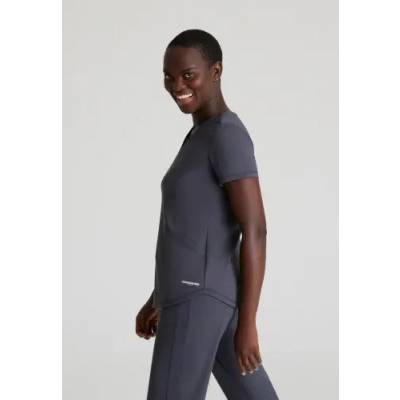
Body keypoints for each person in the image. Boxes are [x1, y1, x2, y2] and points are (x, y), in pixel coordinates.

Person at [135, 29, 279, 400]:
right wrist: (158, 297)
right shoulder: (200, 135)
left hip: (198, 300)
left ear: (215, 71)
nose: (176, 86)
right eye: (169, 76)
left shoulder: (226, 135)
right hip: (202, 295)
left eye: (188, 75)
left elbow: (255, 229)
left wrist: (248, 323)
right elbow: (193, 228)